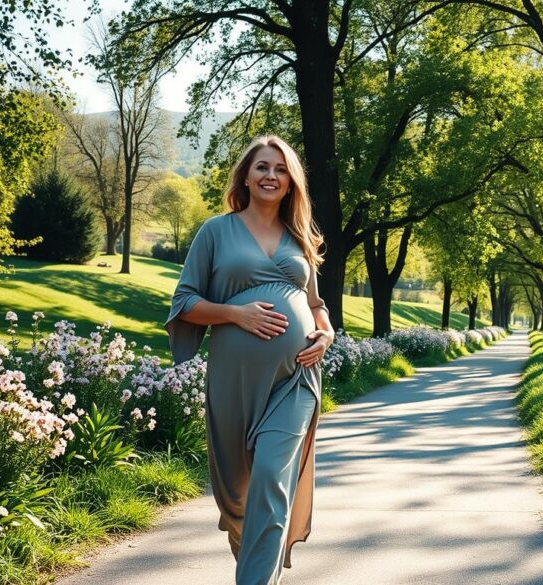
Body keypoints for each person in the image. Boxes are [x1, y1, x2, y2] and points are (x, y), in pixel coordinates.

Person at [165, 135, 334, 585]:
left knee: (270, 484)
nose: (271, 176)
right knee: (239, 498)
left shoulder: (300, 237)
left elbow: (315, 303)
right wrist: (235, 314)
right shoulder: (216, 231)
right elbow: (183, 302)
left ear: (291, 181)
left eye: (281, 169)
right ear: (246, 175)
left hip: (295, 379)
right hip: (234, 384)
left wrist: (327, 332)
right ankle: (251, 557)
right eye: (262, 167)